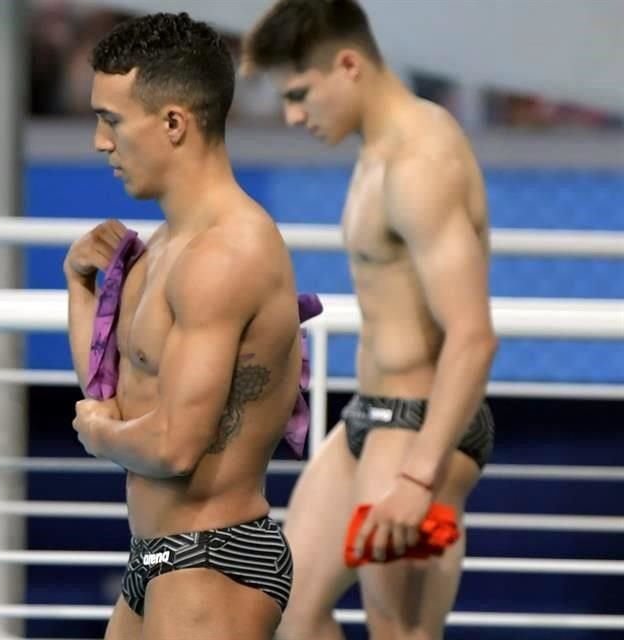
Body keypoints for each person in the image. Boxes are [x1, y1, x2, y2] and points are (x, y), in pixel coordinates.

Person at [240, 1, 498, 638]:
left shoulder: (420, 163)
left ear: (348, 65)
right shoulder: (377, 150)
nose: (294, 115)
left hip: (418, 429)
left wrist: (419, 475)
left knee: (401, 632)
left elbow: (473, 335)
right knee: (291, 614)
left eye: (301, 94)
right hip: (370, 417)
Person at [64, 12, 304, 640]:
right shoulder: (166, 246)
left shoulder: (226, 255)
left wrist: (97, 436)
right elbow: (111, 394)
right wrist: (79, 289)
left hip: (213, 559)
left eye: (112, 120)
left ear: (174, 122)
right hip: (158, 557)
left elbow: (173, 445)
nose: (99, 142)